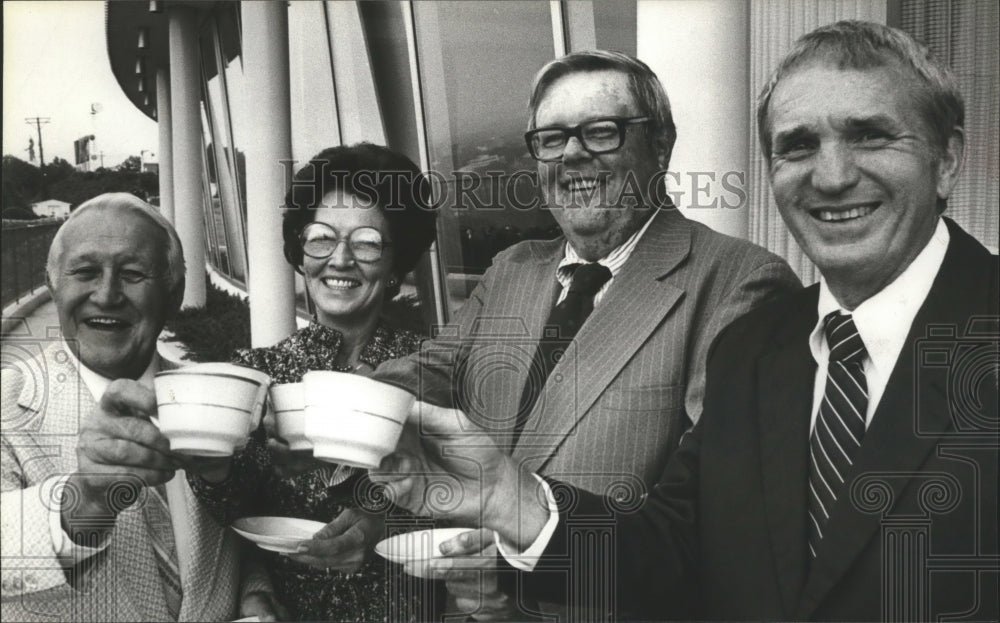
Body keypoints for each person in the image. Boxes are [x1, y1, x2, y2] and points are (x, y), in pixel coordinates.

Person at [372, 21, 999, 622]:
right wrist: (508, 498)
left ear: (946, 160)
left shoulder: (740, 288)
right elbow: (673, 550)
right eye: (798, 145)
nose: (832, 176)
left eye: (870, 135)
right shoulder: (760, 348)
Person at [370, 50, 800, 619]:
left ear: (661, 145)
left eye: (601, 131)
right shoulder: (512, 268)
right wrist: (320, 408)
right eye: (551, 137)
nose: (571, 154)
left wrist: (517, 583)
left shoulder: (742, 283)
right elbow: (430, 371)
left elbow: (708, 528)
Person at [187, 143, 441, 622]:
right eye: (322, 238)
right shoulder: (255, 373)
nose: (340, 259)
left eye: (366, 242)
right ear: (301, 252)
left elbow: (459, 505)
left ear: (394, 263)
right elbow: (230, 512)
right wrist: (212, 463)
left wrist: (381, 526)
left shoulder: (433, 371)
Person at [0, 193, 274, 621]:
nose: (107, 295)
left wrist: (257, 591)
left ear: (174, 292)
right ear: (53, 285)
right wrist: (81, 505)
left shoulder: (215, 395)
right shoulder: (6, 403)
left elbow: (239, 525)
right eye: (85, 272)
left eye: (132, 273)